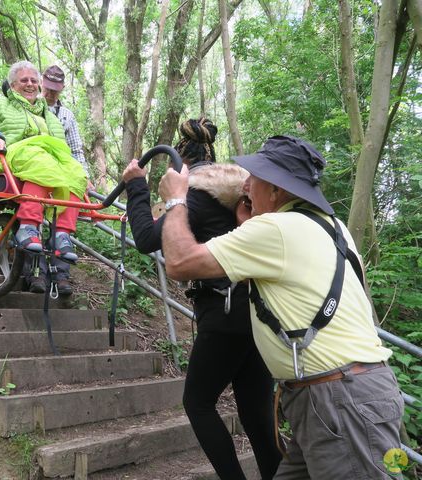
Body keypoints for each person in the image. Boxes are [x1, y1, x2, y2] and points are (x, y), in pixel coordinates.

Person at [159, 135, 403, 478]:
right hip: (348, 394)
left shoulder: (274, 230)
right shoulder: (333, 229)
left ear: (275, 190)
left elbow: (180, 262)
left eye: (254, 178)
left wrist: (175, 201)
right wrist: (248, 225)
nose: (245, 185)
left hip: (338, 401)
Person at [122, 118, 280, 479]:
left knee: (197, 403)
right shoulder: (244, 195)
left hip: (222, 314)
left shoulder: (192, 196)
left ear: (184, 163)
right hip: (257, 313)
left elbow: (147, 238)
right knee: (255, 415)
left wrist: (135, 187)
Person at [0, 61, 87, 268]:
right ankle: (28, 226)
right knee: (39, 160)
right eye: (24, 80)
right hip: (9, 155)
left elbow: (62, 148)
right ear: (12, 85)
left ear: (39, 84)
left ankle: (62, 234)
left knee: (75, 172)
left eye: (33, 80)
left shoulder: (48, 115)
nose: (29, 84)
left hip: (42, 157)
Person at [22, 65, 89, 295]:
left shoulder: (66, 115)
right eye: (48, 88)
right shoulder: (29, 106)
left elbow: (76, 150)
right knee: (34, 221)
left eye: (56, 90)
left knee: (63, 223)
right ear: (42, 83)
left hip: (62, 173)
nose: (51, 94)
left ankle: (61, 275)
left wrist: (84, 176)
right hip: (37, 170)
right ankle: (34, 274)